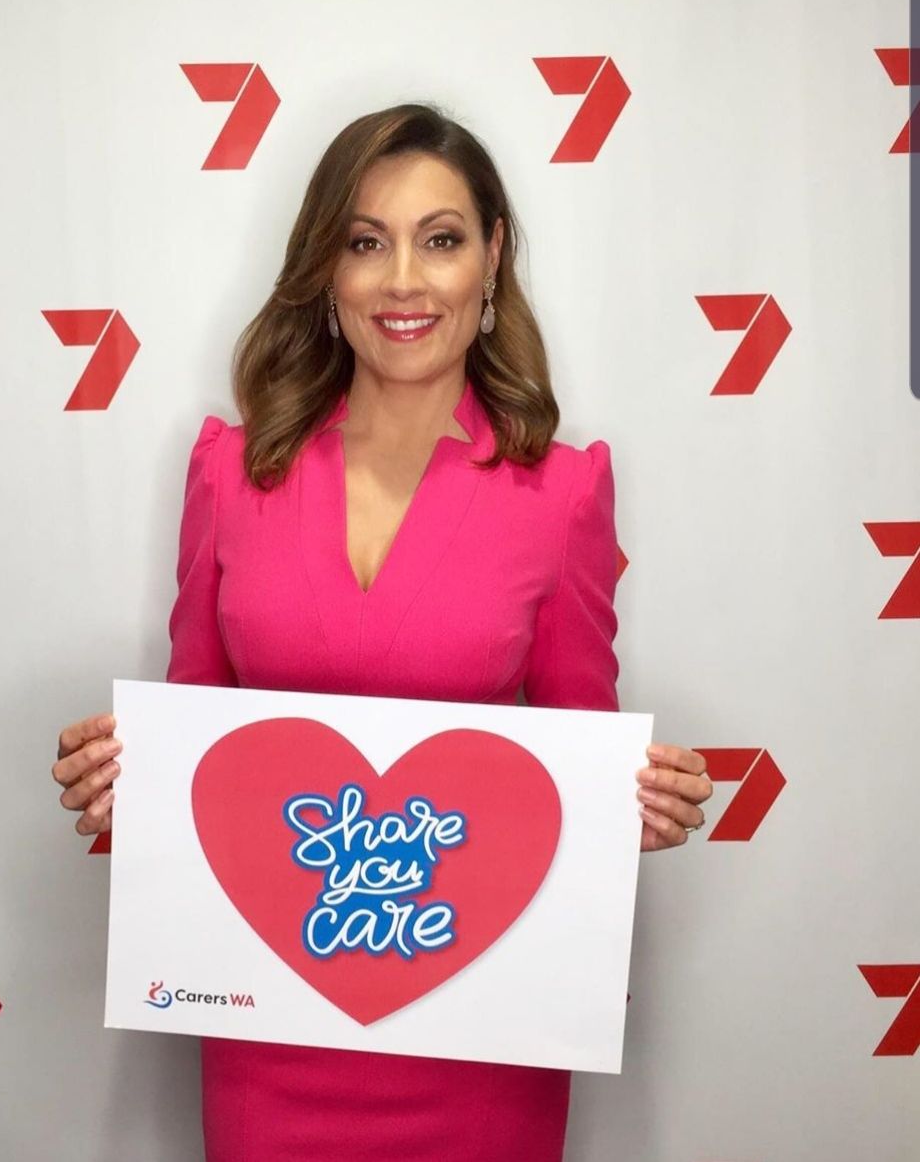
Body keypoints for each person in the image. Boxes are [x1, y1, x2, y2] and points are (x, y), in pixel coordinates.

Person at [51, 102, 712, 1161]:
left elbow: (577, 762)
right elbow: (196, 748)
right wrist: (124, 782)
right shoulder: (230, 473)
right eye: (367, 243)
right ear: (328, 269)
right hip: (270, 1033)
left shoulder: (562, 493)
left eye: (440, 240)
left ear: (492, 260)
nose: (404, 280)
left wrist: (634, 806)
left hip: (482, 1041)